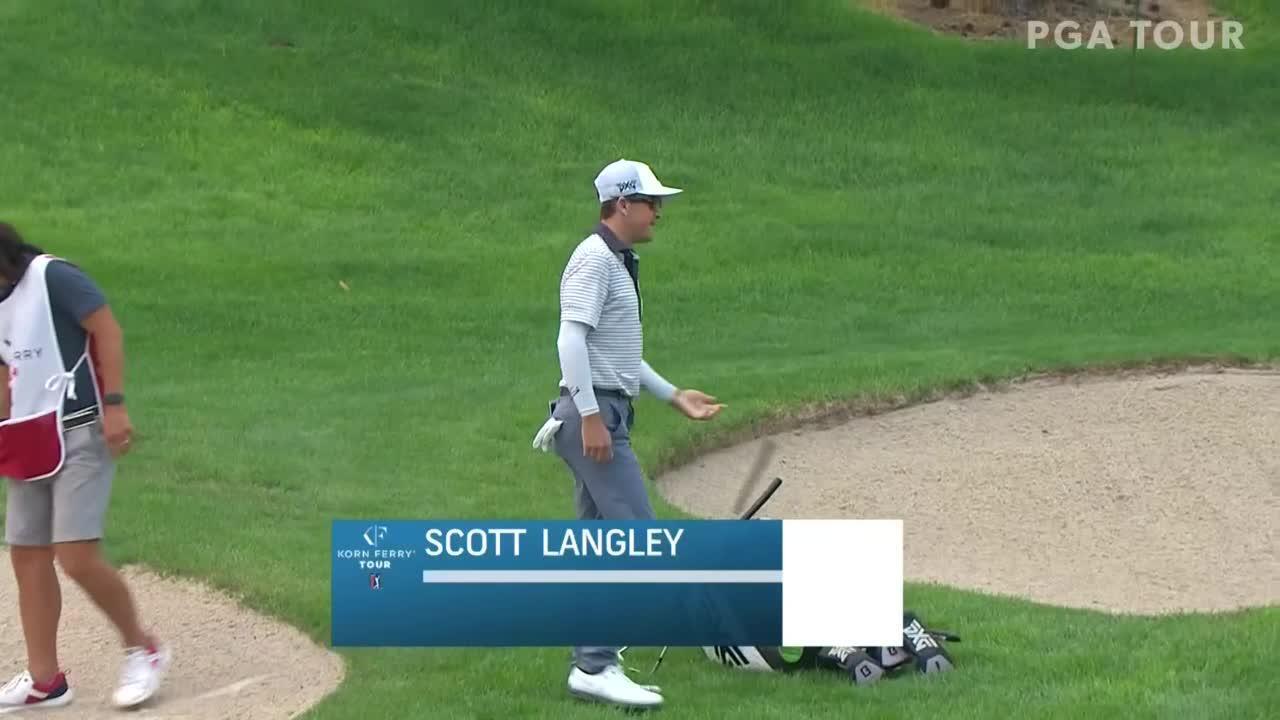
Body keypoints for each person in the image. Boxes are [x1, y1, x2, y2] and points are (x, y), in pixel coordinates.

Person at [533, 159, 725, 709]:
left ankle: (591, 666)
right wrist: (591, 416)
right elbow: (570, 341)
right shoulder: (594, 259)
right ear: (622, 204)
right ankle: (596, 665)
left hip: (604, 413)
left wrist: (673, 395)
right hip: (593, 419)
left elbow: (617, 356)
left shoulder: (617, 261)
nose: (658, 212)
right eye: (650, 202)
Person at [0, 222, 171, 712]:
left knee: (75, 555)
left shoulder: (52, 276)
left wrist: (115, 405)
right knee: (27, 556)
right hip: (27, 436)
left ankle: (143, 648)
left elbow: (106, 328)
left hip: (80, 429)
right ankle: (45, 681)